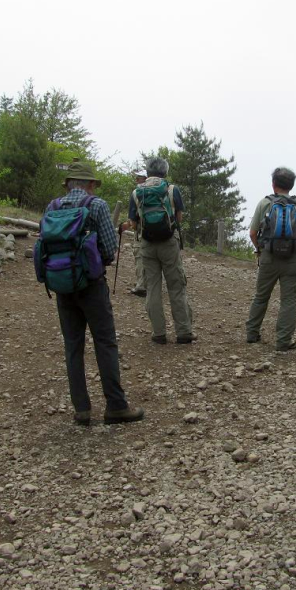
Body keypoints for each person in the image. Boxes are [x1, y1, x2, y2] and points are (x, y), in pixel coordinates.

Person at [47, 160, 144, 424]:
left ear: (68, 184)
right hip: (91, 285)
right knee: (105, 342)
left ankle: (81, 410)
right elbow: (110, 249)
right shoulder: (97, 205)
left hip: (62, 285)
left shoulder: (53, 206)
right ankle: (115, 406)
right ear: (90, 184)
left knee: (73, 346)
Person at [245, 167, 296, 351]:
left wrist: (260, 249)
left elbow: (252, 233)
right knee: (288, 300)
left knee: (261, 296)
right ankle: (284, 340)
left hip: (268, 256)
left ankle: (252, 334)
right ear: (291, 185)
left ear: (273, 184)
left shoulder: (264, 203)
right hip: (292, 259)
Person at [128, 157, 194, 344]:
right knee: (176, 286)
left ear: (147, 172)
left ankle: (158, 333)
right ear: (165, 172)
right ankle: (183, 332)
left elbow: (133, 223)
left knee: (153, 288)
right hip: (169, 243)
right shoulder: (172, 189)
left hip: (147, 244)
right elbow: (179, 218)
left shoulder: (136, 192)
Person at [128, 168, 148, 297]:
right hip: (163, 233)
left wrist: (132, 226)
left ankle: (141, 286)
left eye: (138, 177)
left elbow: (134, 223)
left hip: (142, 234)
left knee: (140, 258)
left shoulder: (136, 193)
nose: (136, 180)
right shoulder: (163, 190)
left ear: (144, 179)